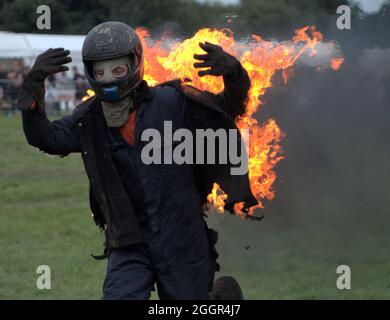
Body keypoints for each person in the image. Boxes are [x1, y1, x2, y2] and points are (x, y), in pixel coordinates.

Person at [18, 21, 256, 300]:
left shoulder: (172, 102)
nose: (109, 77)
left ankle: (223, 298)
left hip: (182, 237)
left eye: (117, 69)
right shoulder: (89, 118)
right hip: (129, 240)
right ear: (91, 72)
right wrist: (33, 87)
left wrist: (234, 74)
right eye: (101, 70)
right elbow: (46, 138)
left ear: (135, 64)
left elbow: (228, 109)